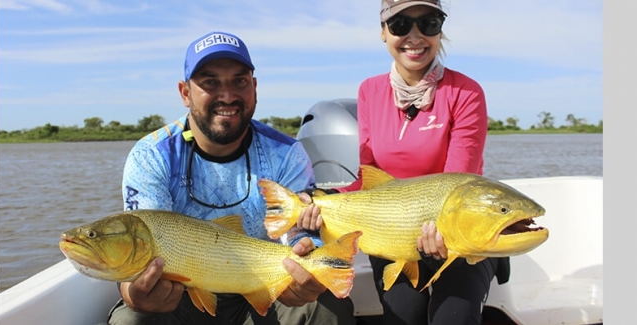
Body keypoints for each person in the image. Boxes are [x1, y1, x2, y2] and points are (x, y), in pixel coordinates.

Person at [107, 31, 355, 325]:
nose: (227, 95)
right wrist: (133, 293)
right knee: (131, 320)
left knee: (326, 308)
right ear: (185, 93)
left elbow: (297, 234)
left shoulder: (287, 153)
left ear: (255, 87)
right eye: (211, 82)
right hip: (180, 297)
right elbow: (141, 247)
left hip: (265, 289)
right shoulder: (152, 155)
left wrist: (305, 261)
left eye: (239, 81)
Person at [297, 1, 510, 324]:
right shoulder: (370, 91)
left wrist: (443, 234)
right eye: (400, 25)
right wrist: (321, 203)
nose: (415, 36)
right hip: (391, 235)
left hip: (459, 236)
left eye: (428, 23)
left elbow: (458, 183)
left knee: (453, 318)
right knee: (403, 315)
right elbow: (367, 178)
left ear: (440, 31)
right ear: (383, 32)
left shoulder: (465, 92)